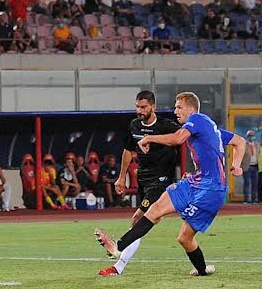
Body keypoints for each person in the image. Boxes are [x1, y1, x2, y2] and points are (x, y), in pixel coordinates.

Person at [94, 92, 246, 279]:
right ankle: (118, 247)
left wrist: (149, 138)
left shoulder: (197, 119)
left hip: (211, 189)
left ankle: (200, 270)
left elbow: (177, 139)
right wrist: (236, 165)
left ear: (191, 109)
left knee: (184, 237)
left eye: (179, 107)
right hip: (196, 181)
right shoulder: (209, 127)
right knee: (158, 211)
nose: (175, 111)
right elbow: (240, 142)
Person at [97, 90, 180, 276]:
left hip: (161, 180)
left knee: (138, 219)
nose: (140, 111)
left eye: (143, 107)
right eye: (137, 107)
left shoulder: (167, 125)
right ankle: (201, 266)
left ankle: (118, 254)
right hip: (144, 178)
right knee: (147, 222)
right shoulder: (134, 125)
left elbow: (183, 137)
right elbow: (128, 151)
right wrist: (121, 177)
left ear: (153, 107)